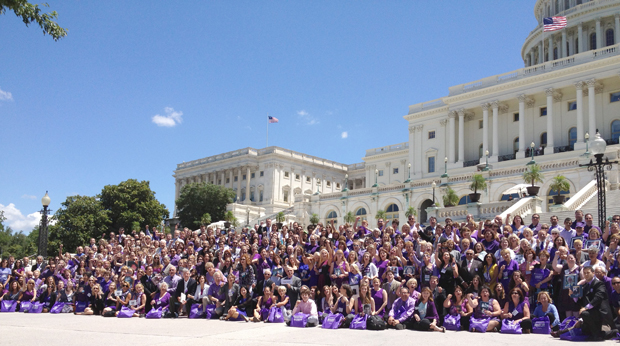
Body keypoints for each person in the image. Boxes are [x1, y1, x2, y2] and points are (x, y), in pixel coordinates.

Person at [554, 266, 616, 340]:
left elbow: (598, 298)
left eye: (588, 273)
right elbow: (581, 301)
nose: (586, 275)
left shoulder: (599, 284)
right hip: (591, 313)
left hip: (600, 313)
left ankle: (597, 335)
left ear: (593, 273)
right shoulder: (585, 286)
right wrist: (573, 296)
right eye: (584, 273)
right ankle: (560, 333)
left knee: (584, 313)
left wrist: (586, 308)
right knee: (583, 328)